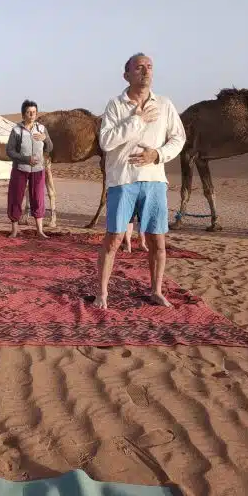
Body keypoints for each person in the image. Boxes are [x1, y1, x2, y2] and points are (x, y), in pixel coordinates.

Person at [94, 53, 186, 309]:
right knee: (114, 238)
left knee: (157, 239)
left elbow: (178, 138)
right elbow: (106, 141)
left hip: (154, 180)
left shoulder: (165, 105)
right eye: (139, 67)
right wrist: (137, 120)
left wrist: (157, 154)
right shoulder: (115, 105)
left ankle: (156, 290)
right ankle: (102, 293)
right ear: (127, 75)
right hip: (123, 180)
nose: (145, 71)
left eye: (149, 67)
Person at [5, 99, 52, 238]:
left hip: (38, 169)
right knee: (16, 197)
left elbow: (50, 148)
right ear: (23, 114)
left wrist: (45, 139)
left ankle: (40, 231)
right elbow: (10, 151)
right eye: (29, 112)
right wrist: (26, 159)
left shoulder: (42, 129)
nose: (32, 115)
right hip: (20, 169)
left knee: (38, 198)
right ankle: (14, 230)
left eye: (34, 112)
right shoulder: (16, 130)